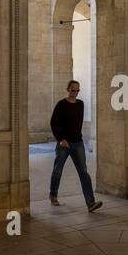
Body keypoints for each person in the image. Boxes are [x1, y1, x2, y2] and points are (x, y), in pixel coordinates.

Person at [49, 80, 102, 212]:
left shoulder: (80, 104)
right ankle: (53, 195)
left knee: (84, 172)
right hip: (64, 143)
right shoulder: (61, 104)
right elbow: (54, 122)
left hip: (78, 143)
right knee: (58, 170)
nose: (75, 93)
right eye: (73, 90)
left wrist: (77, 139)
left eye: (78, 90)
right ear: (68, 89)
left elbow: (77, 124)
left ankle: (91, 203)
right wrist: (61, 139)